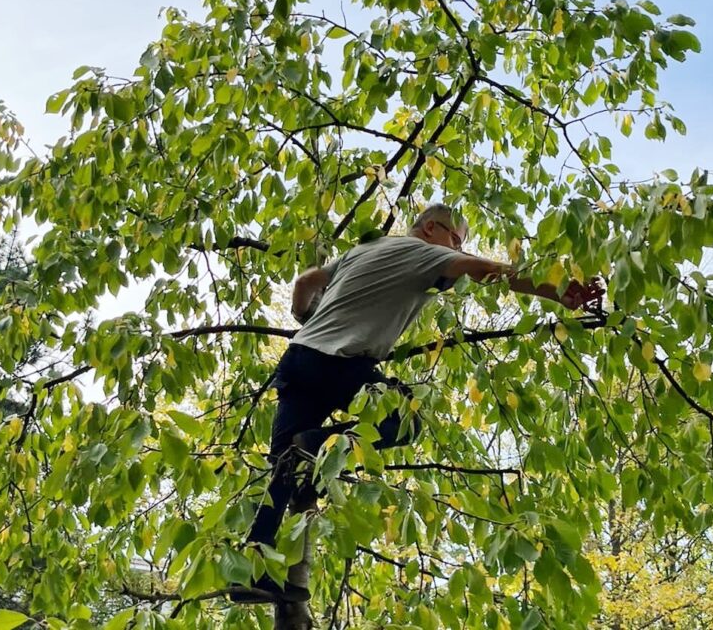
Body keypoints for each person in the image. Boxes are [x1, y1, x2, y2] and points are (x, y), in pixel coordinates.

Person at [229, 203, 604, 603]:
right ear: (429, 229)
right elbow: (486, 271)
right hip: (340, 363)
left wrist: (308, 316)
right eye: (457, 239)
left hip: (298, 359)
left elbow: (305, 281)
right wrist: (559, 291)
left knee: (283, 470)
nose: (458, 249)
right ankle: (316, 444)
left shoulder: (359, 252)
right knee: (404, 422)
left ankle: (250, 573)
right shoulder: (421, 251)